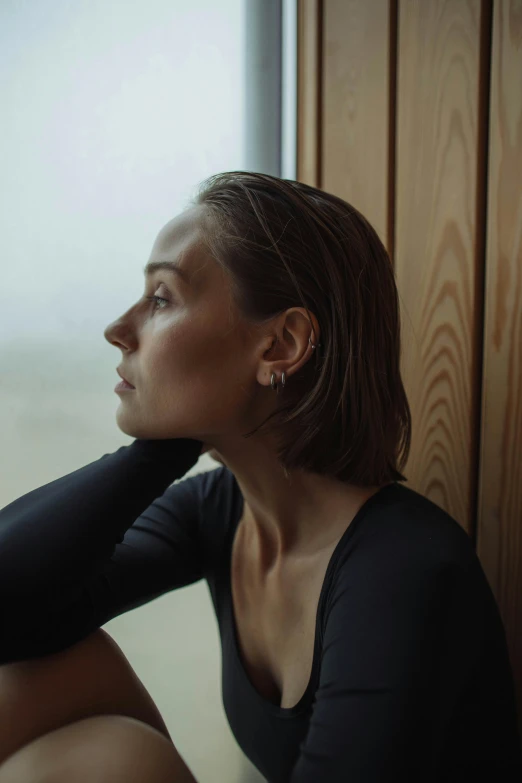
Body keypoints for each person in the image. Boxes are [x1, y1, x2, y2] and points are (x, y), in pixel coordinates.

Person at [1, 171, 521, 782]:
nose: (119, 329)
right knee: (39, 672)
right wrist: (159, 452)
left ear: (282, 345)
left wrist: (181, 424)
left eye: (161, 298)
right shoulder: (223, 510)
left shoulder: (404, 572)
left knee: (121, 762)